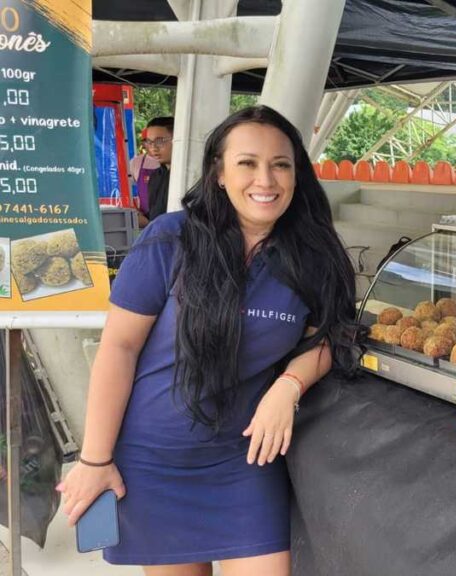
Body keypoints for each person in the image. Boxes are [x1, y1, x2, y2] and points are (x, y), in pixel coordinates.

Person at [57, 105, 361, 574]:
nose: (266, 179)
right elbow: (119, 348)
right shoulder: (171, 238)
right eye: (247, 163)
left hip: (242, 460)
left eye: (281, 164)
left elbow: (325, 337)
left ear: (297, 174)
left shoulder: (312, 256)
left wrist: (288, 386)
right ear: (219, 173)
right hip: (153, 459)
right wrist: (95, 460)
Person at [138, 116, 175, 226]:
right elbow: (155, 213)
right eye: (149, 142)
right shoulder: (155, 176)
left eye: (160, 141)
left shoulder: (188, 174)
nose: (153, 148)